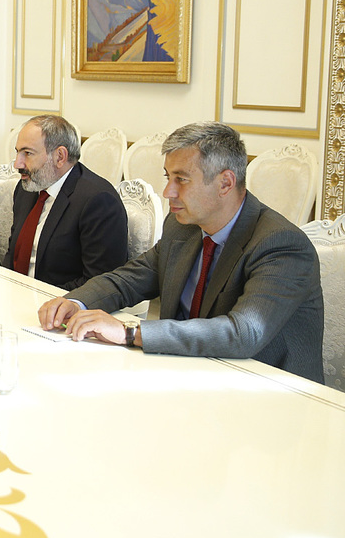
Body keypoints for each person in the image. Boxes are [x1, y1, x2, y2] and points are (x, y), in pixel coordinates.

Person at [38, 122, 324, 383]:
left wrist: (130, 333)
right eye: (168, 177)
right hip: (186, 373)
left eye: (181, 180)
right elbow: (129, 280)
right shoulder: (182, 226)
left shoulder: (281, 244)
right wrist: (75, 302)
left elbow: (243, 333)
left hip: (267, 390)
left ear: (225, 183)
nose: (168, 192)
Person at [4, 115, 128, 290]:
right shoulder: (27, 188)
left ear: (60, 156)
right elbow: (13, 255)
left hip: (59, 302)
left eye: (28, 153)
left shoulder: (99, 201)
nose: (17, 163)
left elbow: (100, 284)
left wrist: (38, 297)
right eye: (17, 152)